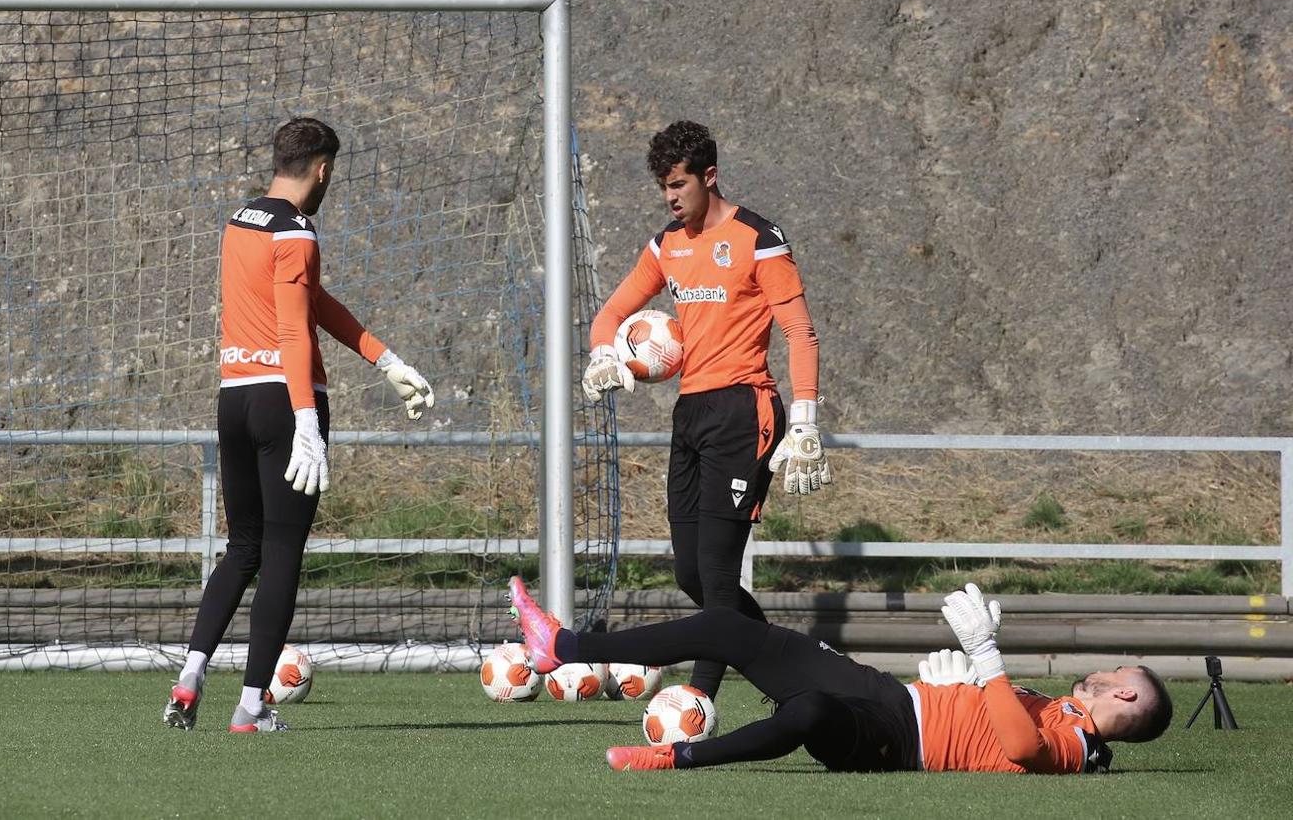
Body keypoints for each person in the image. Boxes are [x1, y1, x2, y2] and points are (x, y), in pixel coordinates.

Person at [163, 117, 435, 733]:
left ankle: (190, 676)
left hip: (235, 398)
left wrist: (385, 360)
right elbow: (293, 327)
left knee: (243, 547)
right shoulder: (297, 230)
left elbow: (310, 301)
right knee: (282, 552)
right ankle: (252, 706)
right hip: (285, 403)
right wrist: (307, 422)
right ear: (323, 169)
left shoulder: (242, 220)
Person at [581, 120, 831, 701]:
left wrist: (805, 421)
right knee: (691, 573)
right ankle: (801, 672)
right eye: (664, 187)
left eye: (679, 184)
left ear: (709, 176)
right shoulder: (666, 245)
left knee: (717, 575)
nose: (670, 197)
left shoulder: (759, 238)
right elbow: (609, 315)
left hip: (745, 409)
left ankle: (695, 702)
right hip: (691, 412)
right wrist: (603, 354)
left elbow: (800, 332)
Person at [506, 577, 1172, 773]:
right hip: (891, 696)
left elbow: (1022, 749)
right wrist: (965, 681)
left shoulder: (1081, 744)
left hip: (894, 741)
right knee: (729, 626)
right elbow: (997, 723)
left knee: (811, 711)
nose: (1098, 670)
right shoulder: (1064, 710)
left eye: (1113, 671)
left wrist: (987, 656)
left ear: (1125, 692)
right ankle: (561, 645)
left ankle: (675, 757)